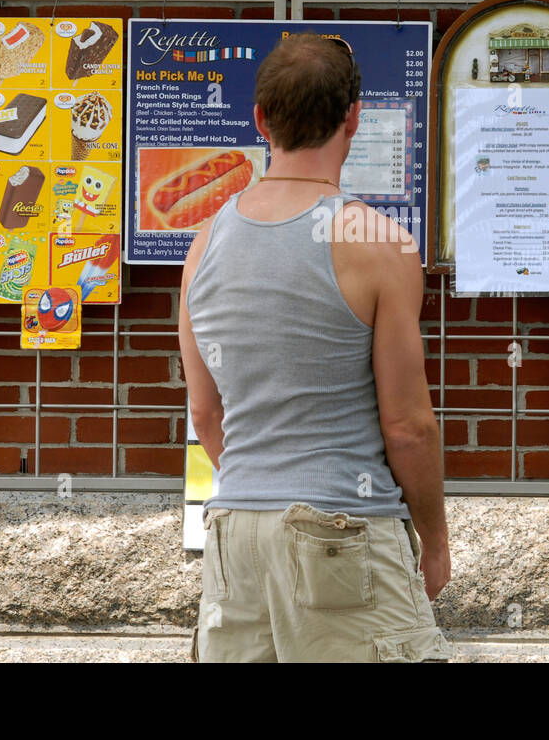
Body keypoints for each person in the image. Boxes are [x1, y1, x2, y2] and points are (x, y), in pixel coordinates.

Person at [178, 33, 452, 663]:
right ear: (353, 117)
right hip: (343, 530)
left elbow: (205, 414)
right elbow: (408, 426)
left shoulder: (204, 243)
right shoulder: (379, 243)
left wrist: (265, 488)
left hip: (233, 534)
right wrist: (433, 543)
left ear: (260, 120)